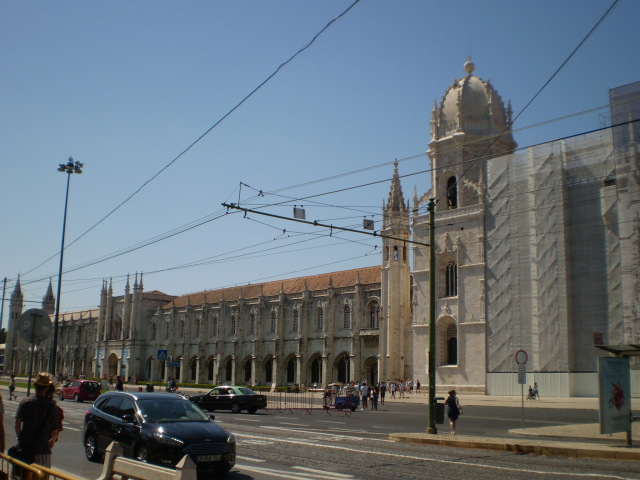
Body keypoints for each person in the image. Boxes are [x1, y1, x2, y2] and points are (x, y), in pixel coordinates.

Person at [14, 372, 61, 467]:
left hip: (25, 448)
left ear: (35, 386)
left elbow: (17, 424)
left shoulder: (25, 402)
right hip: (43, 451)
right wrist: (51, 441)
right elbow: (55, 431)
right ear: (47, 387)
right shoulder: (51, 406)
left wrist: (21, 438)